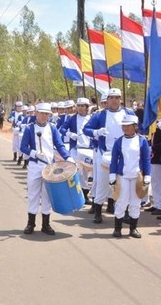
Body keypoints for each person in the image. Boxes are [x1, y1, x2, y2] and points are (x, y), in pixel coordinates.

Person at [20, 103, 73, 235]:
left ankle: (46, 224)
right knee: (33, 194)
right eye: (42, 113)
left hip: (49, 166)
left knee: (47, 195)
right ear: (36, 113)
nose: (44, 116)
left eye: (46, 114)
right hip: (35, 165)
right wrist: (34, 153)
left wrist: (68, 157)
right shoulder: (29, 129)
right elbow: (23, 147)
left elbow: (59, 145)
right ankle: (30, 223)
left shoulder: (52, 128)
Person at [83, 88, 135, 224]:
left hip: (124, 154)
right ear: (107, 100)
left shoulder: (128, 113)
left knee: (123, 184)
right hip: (105, 153)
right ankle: (98, 211)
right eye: (111, 98)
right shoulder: (100, 115)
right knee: (102, 183)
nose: (114, 100)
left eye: (117, 97)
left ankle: (123, 212)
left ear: (120, 99)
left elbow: (138, 128)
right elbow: (86, 129)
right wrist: (97, 132)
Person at [109, 115, 151, 238]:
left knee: (136, 202)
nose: (125, 128)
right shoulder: (119, 141)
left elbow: (146, 159)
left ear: (135, 127)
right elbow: (114, 160)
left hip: (137, 176)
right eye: (124, 125)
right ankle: (117, 229)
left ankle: (133, 229)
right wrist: (112, 175)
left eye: (128, 125)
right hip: (123, 176)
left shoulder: (142, 141)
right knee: (121, 201)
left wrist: (147, 175)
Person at [59, 97, 92, 204]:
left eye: (83, 106)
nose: (80, 108)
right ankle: (77, 194)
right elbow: (62, 129)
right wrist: (70, 134)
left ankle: (86, 192)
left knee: (86, 173)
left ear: (87, 107)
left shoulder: (92, 118)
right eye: (79, 106)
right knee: (76, 171)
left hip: (89, 149)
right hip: (75, 149)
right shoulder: (72, 119)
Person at [146, 102, 161, 217]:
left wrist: (153, 147)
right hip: (153, 155)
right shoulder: (153, 122)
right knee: (155, 180)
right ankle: (157, 203)